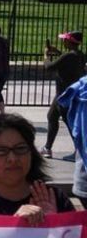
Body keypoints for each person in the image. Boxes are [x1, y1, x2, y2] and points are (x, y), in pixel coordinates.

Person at [42, 30, 86, 159]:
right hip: (68, 93)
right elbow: (67, 60)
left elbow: (49, 67)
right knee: (52, 117)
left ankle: (79, 151)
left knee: (70, 123)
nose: (63, 41)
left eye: (65, 39)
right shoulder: (80, 55)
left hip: (64, 94)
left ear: (69, 41)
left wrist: (46, 55)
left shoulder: (68, 56)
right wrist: (57, 52)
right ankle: (47, 148)